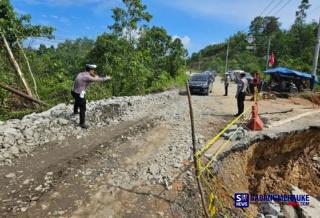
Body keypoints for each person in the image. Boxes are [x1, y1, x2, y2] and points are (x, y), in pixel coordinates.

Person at [71, 64, 112, 129]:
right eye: (93, 70)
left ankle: (75, 111)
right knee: (82, 107)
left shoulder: (81, 73)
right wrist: (107, 78)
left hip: (73, 91)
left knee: (77, 100)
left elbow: (93, 76)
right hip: (79, 93)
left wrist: (96, 76)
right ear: (90, 70)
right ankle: (82, 123)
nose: (94, 71)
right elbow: (98, 79)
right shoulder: (87, 77)